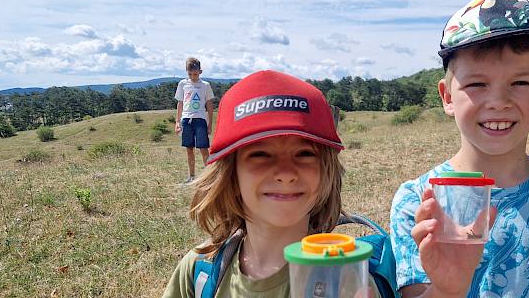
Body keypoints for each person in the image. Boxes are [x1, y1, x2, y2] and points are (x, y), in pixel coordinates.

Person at [389, 0, 529, 298]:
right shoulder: (419, 203)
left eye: (520, 83)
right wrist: (445, 290)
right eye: (476, 84)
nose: (498, 102)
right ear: (447, 97)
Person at [162, 70, 379, 298]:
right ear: (230, 175)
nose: (286, 173)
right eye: (260, 154)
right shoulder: (198, 270)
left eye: (305, 153)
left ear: (326, 172)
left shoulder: (345, 279)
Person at [174, 57, 215, 184]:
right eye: (190, 74)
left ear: (200, 72)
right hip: (186, 120)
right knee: (189, 149)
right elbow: (180, 103)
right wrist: (177, 122)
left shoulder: (205, 85)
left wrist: (210, 124)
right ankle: (191, 176)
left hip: (200, 120)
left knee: (203, 149)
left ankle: (209, 177)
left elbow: (209, 105)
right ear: (187, 72)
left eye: (195, 74)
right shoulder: (182, 84)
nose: (193, 76)